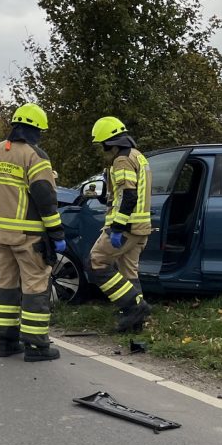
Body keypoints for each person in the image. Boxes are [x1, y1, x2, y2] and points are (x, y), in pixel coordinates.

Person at [0, 103, 66, 362]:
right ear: (37, 129)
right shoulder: (35, 155)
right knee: (35, 285)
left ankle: (6, 341)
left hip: (0, 233)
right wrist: (57, 234)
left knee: (5, 284)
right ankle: (36, 346)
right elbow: (45, 198)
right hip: (29, 235)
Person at [87, 116, 153, 332]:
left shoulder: (122, 160)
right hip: (140, 227)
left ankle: (134, 307)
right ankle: (135, 324)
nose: (102, 149)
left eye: (102, 144)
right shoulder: (139, 156)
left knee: (96, 263)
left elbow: (129, 196)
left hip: (126, 227)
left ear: (109, 141)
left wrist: (117, 227)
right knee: (129, 273)